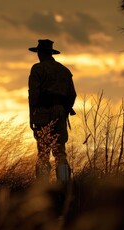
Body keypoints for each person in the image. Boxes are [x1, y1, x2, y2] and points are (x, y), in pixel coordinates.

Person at [28, 39, 76, 184]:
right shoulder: (64, 70)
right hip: (61, 112)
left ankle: (42, 186)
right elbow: (72, 94)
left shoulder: (38, 69)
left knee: (43, 152)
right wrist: (63, 110)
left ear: (41, 53)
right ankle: (65, 184)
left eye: (38, 52)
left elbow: (33, 95)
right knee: (60, 152)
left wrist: (32, 116)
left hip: (43, 111)